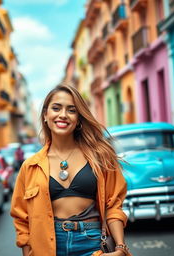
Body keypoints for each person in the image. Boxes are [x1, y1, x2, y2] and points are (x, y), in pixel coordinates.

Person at [10, 83, 131, 256]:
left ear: (79, 118)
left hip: (92, 241)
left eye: (71, 110)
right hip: (48, 245)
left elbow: (114, 205)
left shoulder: (100, 157)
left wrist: (120, 247)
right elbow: (22, 220)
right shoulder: (30, 167)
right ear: (45, 114)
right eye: (56, 108)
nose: (63, 115)